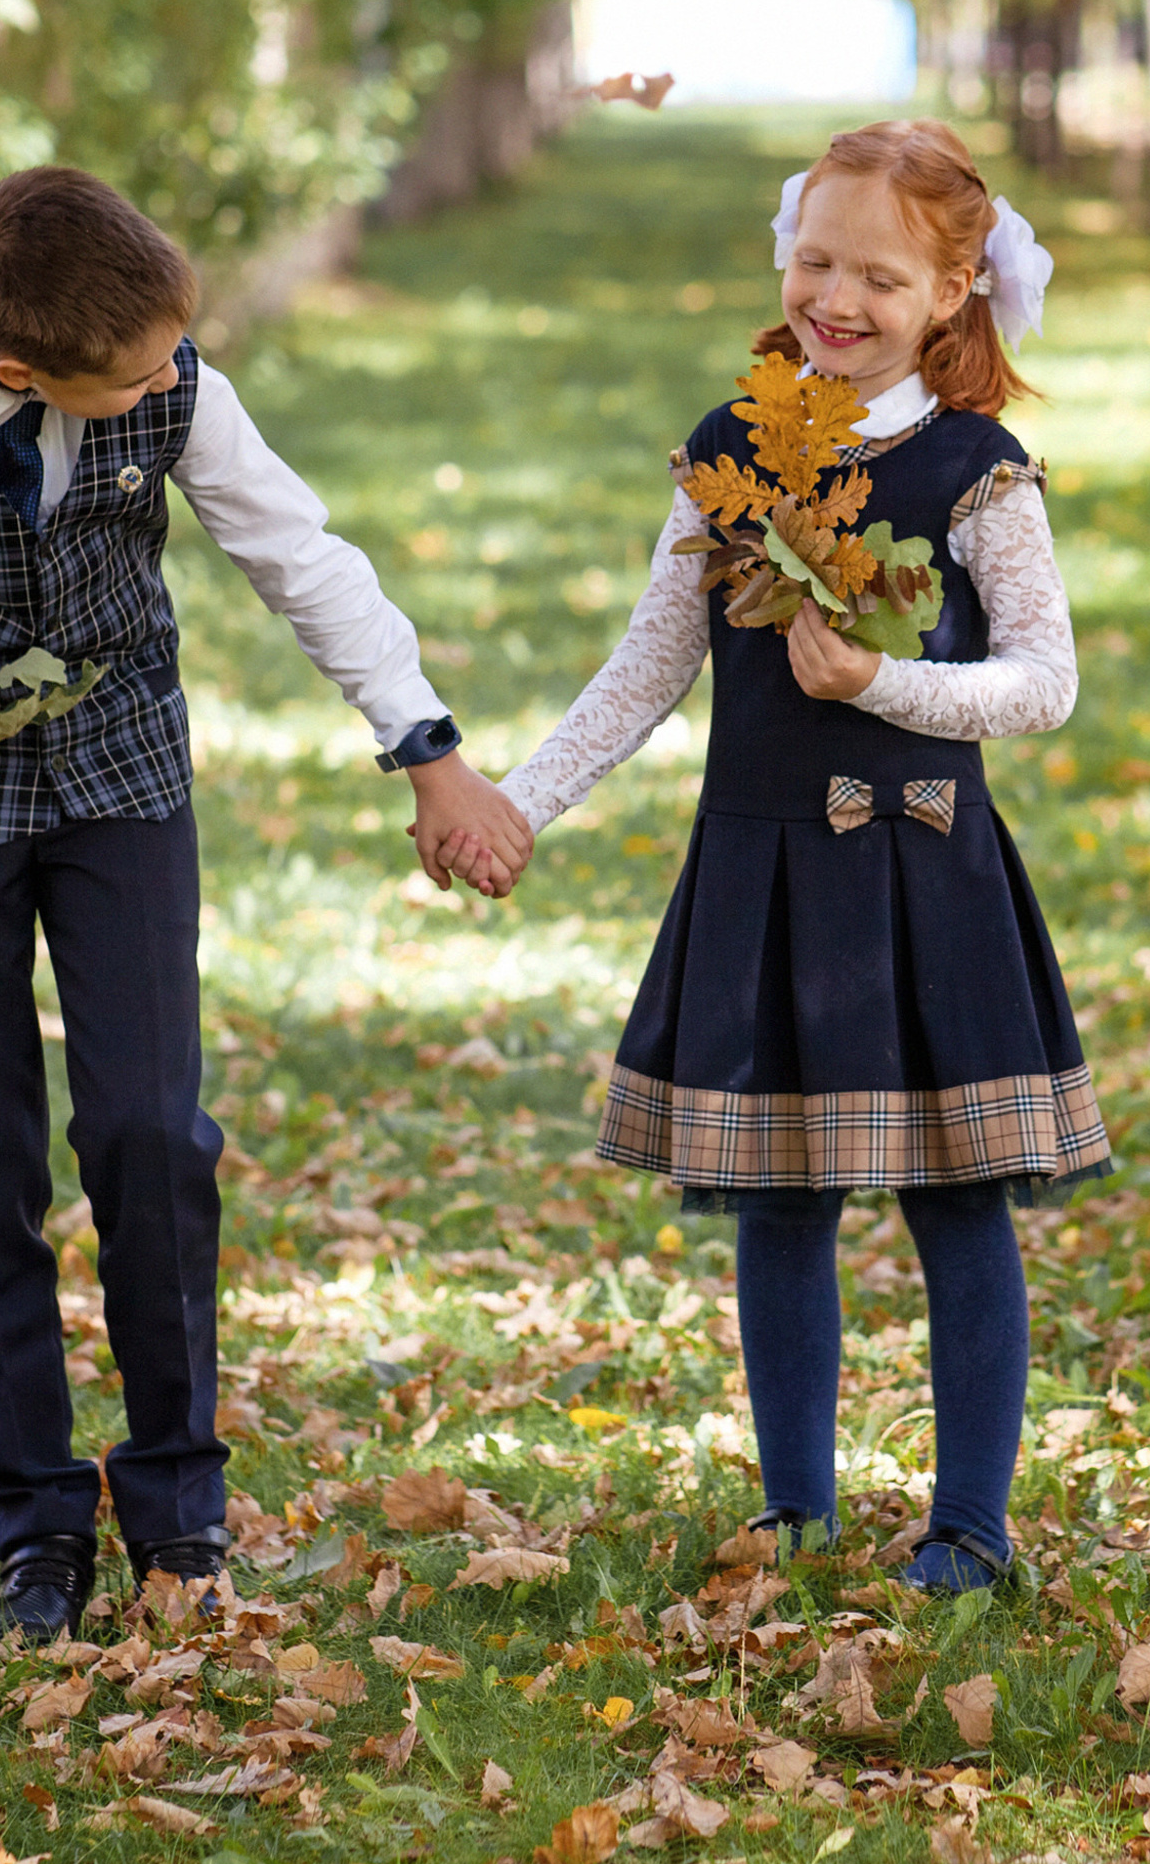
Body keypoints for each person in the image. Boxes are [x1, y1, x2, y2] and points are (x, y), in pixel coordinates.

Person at [0, 166, 529, 1643]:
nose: (178, 377)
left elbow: (299, 553)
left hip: (121, 786)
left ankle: (179, 1506)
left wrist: (428, 749)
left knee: (151, 1137)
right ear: (19, 365)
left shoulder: (173, 383)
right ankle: (35, 1520)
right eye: (149, 369)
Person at [462, 120, 1109, 1591]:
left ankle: (971, 1525)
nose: (839, 297)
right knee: (781, 1196)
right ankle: (797, 1504)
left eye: (881, 275)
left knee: (957, 1201)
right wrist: (521, 799)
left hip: (922, 875)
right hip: (765, 875)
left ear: (954, 291)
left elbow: (1043, 682)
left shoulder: (978, 470)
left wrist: (878, 688)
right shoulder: (730, 450)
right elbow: (646, 668)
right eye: (817, 259)